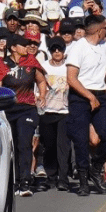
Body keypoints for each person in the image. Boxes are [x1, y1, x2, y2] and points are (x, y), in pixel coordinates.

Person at [66, 15, 106, 196]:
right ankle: (83, 181)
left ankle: (95, 168)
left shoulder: (104, 47)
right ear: (98, 30)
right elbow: (71, 78)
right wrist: (89, 97)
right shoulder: (78, 48)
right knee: (81, 139)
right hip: (81, 95)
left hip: (100, 94)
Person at [0, 34, 47, 197]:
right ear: (14, 47)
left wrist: (42, 96)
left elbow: (41, 81)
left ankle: (25, 181)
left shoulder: (31, 62)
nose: (27, 47)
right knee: (13, 145)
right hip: (9, 109)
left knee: (25, 142)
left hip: (27, 108)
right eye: (24, 45)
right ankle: (14, 181)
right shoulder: (2, 63)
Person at [39, 36, 70, 191]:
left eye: (60, 49)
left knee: (63, 146)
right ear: (50, 51)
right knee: (49, 146)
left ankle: (63, 178)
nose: (57, 52)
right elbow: (37, 85)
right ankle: (51, 176)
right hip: (47, 111)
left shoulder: (69, 68)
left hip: (65, 111)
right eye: (54, 49)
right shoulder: (43, 67)